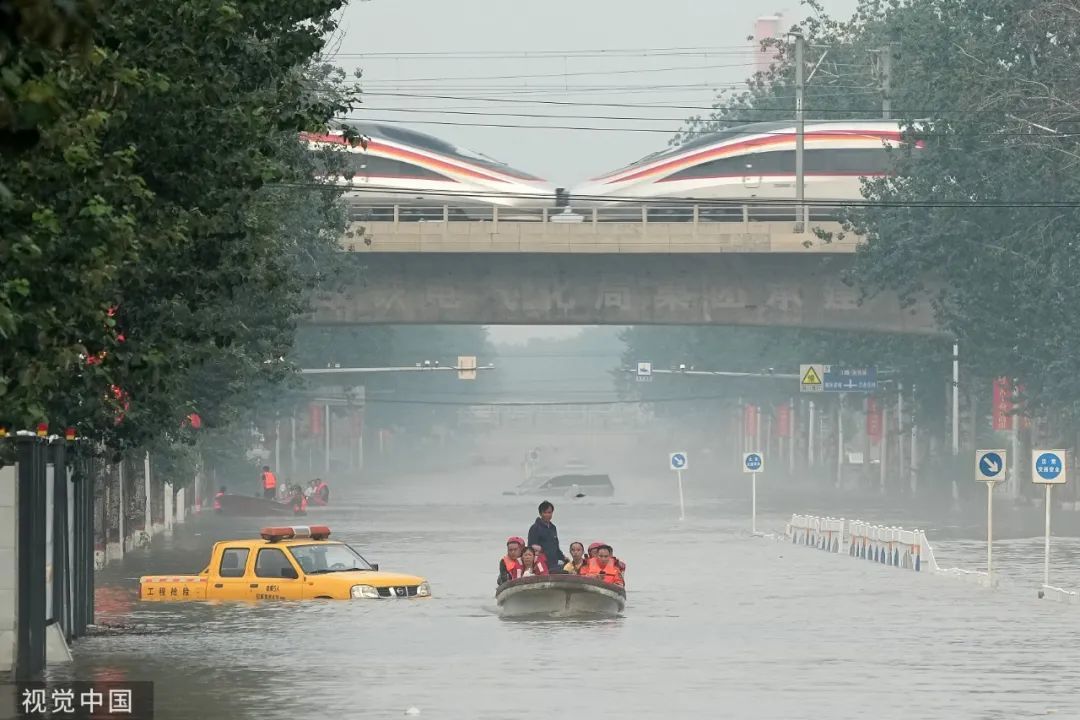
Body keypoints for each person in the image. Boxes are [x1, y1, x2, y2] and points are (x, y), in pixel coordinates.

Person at [527, 501, 566, 573]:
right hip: (542, 563)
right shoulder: (535, 528)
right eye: (545, 513)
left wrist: (564, 558)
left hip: (554, 562)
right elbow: (531, 548)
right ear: (540, 513)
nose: (548, 515)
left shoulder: (553, 527)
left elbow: (556, 547)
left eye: (550, 512)